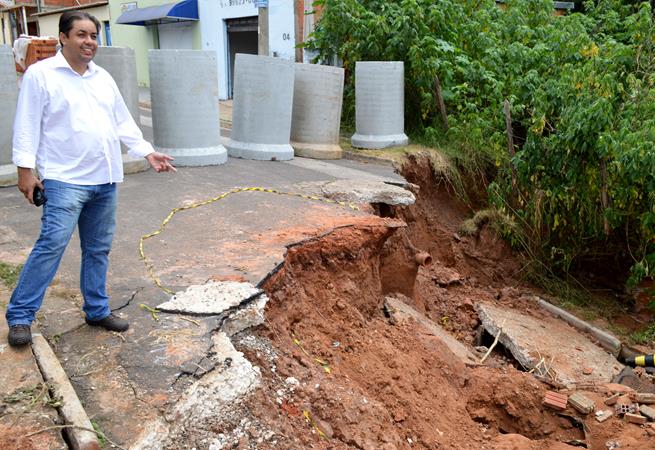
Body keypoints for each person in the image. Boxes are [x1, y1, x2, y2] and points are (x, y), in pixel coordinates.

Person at [6, 11, 176, 347]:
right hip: (64, 178)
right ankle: (20, 316)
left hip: (104, 178)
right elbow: (26, 124)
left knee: (98, 249)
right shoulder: (41, 75)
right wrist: (25, 170)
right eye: (81, 34)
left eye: (94, 36)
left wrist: (146, 151)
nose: (89, 42)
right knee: (51, 245)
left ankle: (97, 310)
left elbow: (122, 121)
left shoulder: (102, 78)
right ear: (63, 37)